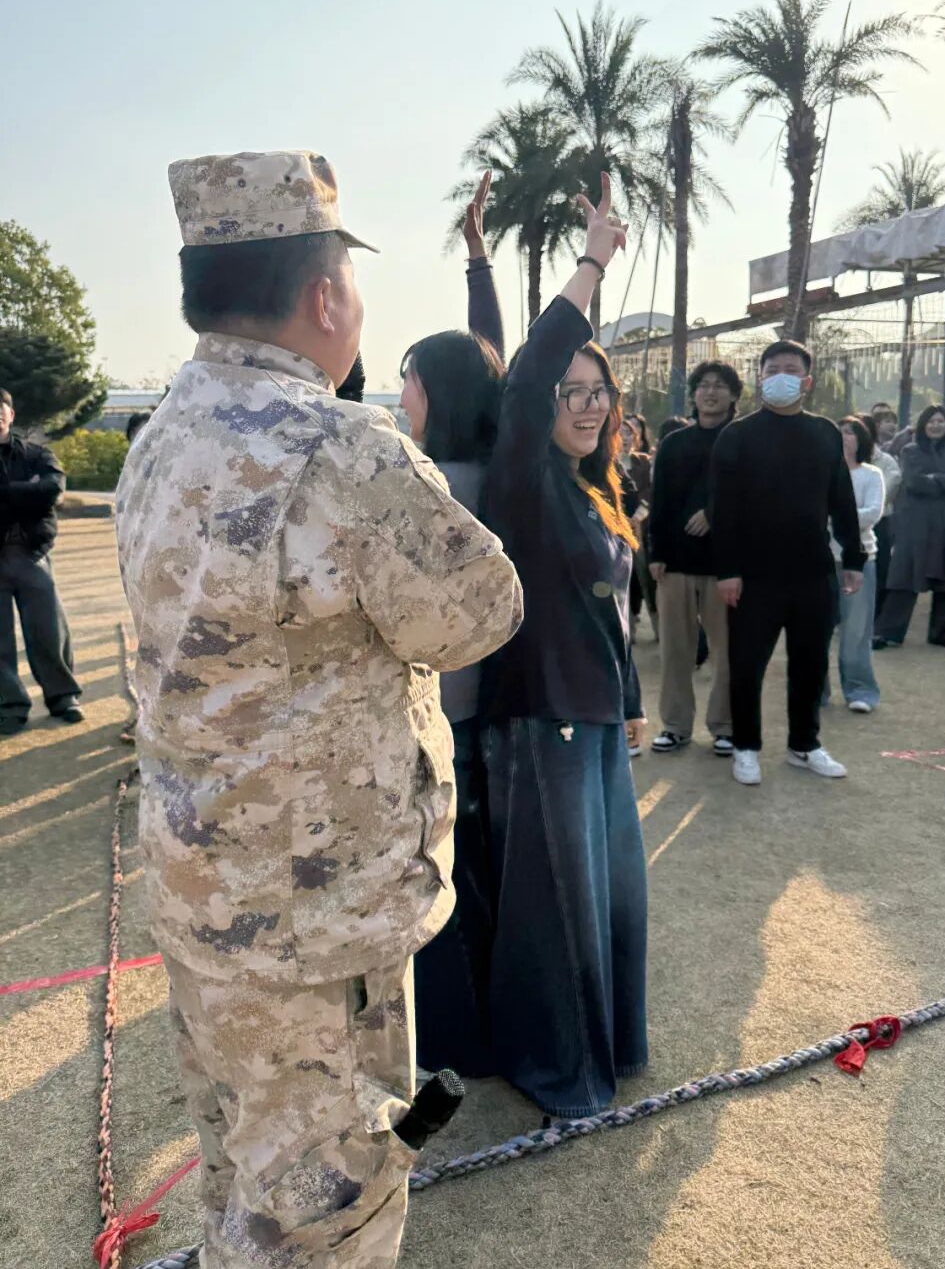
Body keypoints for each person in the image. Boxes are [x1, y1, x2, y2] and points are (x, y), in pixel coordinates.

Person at [115, 150, 523, 1268]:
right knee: (327, 1215)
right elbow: (479, 613)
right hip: (314, 915)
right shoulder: (340, 448)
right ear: (324, 293)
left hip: (204, 890)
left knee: (242, 1179)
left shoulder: (159, 438)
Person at [482, 174, 649, 1118]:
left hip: (596, 719)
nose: (587, 407)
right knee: (560, 902)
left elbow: (612, 612)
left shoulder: (598, 489)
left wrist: (632, 701)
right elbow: (525, 375)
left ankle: (611, 1046)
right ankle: (559, 1066)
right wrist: (591, 262)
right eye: (570, 393)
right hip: (542, 718)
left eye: (599, 392)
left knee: (612, 892)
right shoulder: (524, 480)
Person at [399, 173, 507, 1078]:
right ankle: (483, 1019)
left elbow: (493, 358)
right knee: (478, 866)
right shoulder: (500, 468)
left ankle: (457, 1035)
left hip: (450, 715)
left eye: (410, 381)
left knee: (449, 874)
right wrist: (477, 261)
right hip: (484, 711)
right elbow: (492, 357)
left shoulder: (428, 485)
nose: (401, 395)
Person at [710, 341, 864, 786]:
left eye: (791, 369)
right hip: (753, 575)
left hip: (813, 570)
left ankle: (804, 744)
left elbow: (841, 499)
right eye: (772, 368)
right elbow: (723, 508)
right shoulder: (737, 435)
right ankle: (746, 746)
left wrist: (854, 556)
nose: (781, 375)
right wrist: (727, 570)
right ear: (760, 379)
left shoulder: (825, 433)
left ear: (807, 381)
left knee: (810, 663)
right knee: (747, 664)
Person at [648, 361, 742, 756]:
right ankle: (675, 725)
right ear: (694, 394)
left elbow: (756, 495)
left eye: (720, 385)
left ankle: (725, 726)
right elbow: (660, 501)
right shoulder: (675, 443)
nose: (710, 392)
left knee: (727, 653)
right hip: (676, 564)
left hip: (727, 568)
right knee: (676, 652)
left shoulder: (743, 440)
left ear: (734, 395)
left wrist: (714, 513)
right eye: (703, 385)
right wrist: (656, 553)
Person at [0, 388, 83, 734]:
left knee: (48, 628)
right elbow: (38, 493)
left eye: (1, 408)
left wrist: (7, 493)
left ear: (11, 414)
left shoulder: (36, 453)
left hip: (30, 552)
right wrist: (26, 492)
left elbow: (52, 489)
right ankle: (9, 706)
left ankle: (63, 696)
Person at [874, 404, 945, 649]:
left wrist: (934, 479)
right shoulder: (910, 450)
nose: (936, 425)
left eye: (941, 421)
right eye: (931, 421)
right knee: (904, 577)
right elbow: (915, 482)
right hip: (915, 524)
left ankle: (942, 632)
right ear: (923, 425)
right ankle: (889, 632)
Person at [824, 417, 884, 713]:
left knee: (856, 631)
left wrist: (838, 516)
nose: (844, 437)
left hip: (861, 561)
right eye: (839, 432)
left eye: (850, 433)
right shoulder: (821, 472)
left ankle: (860, 690)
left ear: (862, 440)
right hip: (822, 559)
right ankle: (816, 691)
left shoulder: (871, 474)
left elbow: (873, 513)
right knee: (817, 630)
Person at [617, 414, 656, 639]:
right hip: (615, 529)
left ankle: (657, 624)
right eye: (620, 433)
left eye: (628, 433)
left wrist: (639, 516)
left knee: (646, 578)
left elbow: (651, 491)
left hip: (640, 528)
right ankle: (627, 628)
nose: (624, 438)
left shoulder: (643, 461)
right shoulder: (605, 463)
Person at [863, 413, 901, 612]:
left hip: (879, 524)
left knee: (880, 571)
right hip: (844, 524)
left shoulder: (886, 462)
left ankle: (876, 616)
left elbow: (883, 495)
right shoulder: (837, 459)